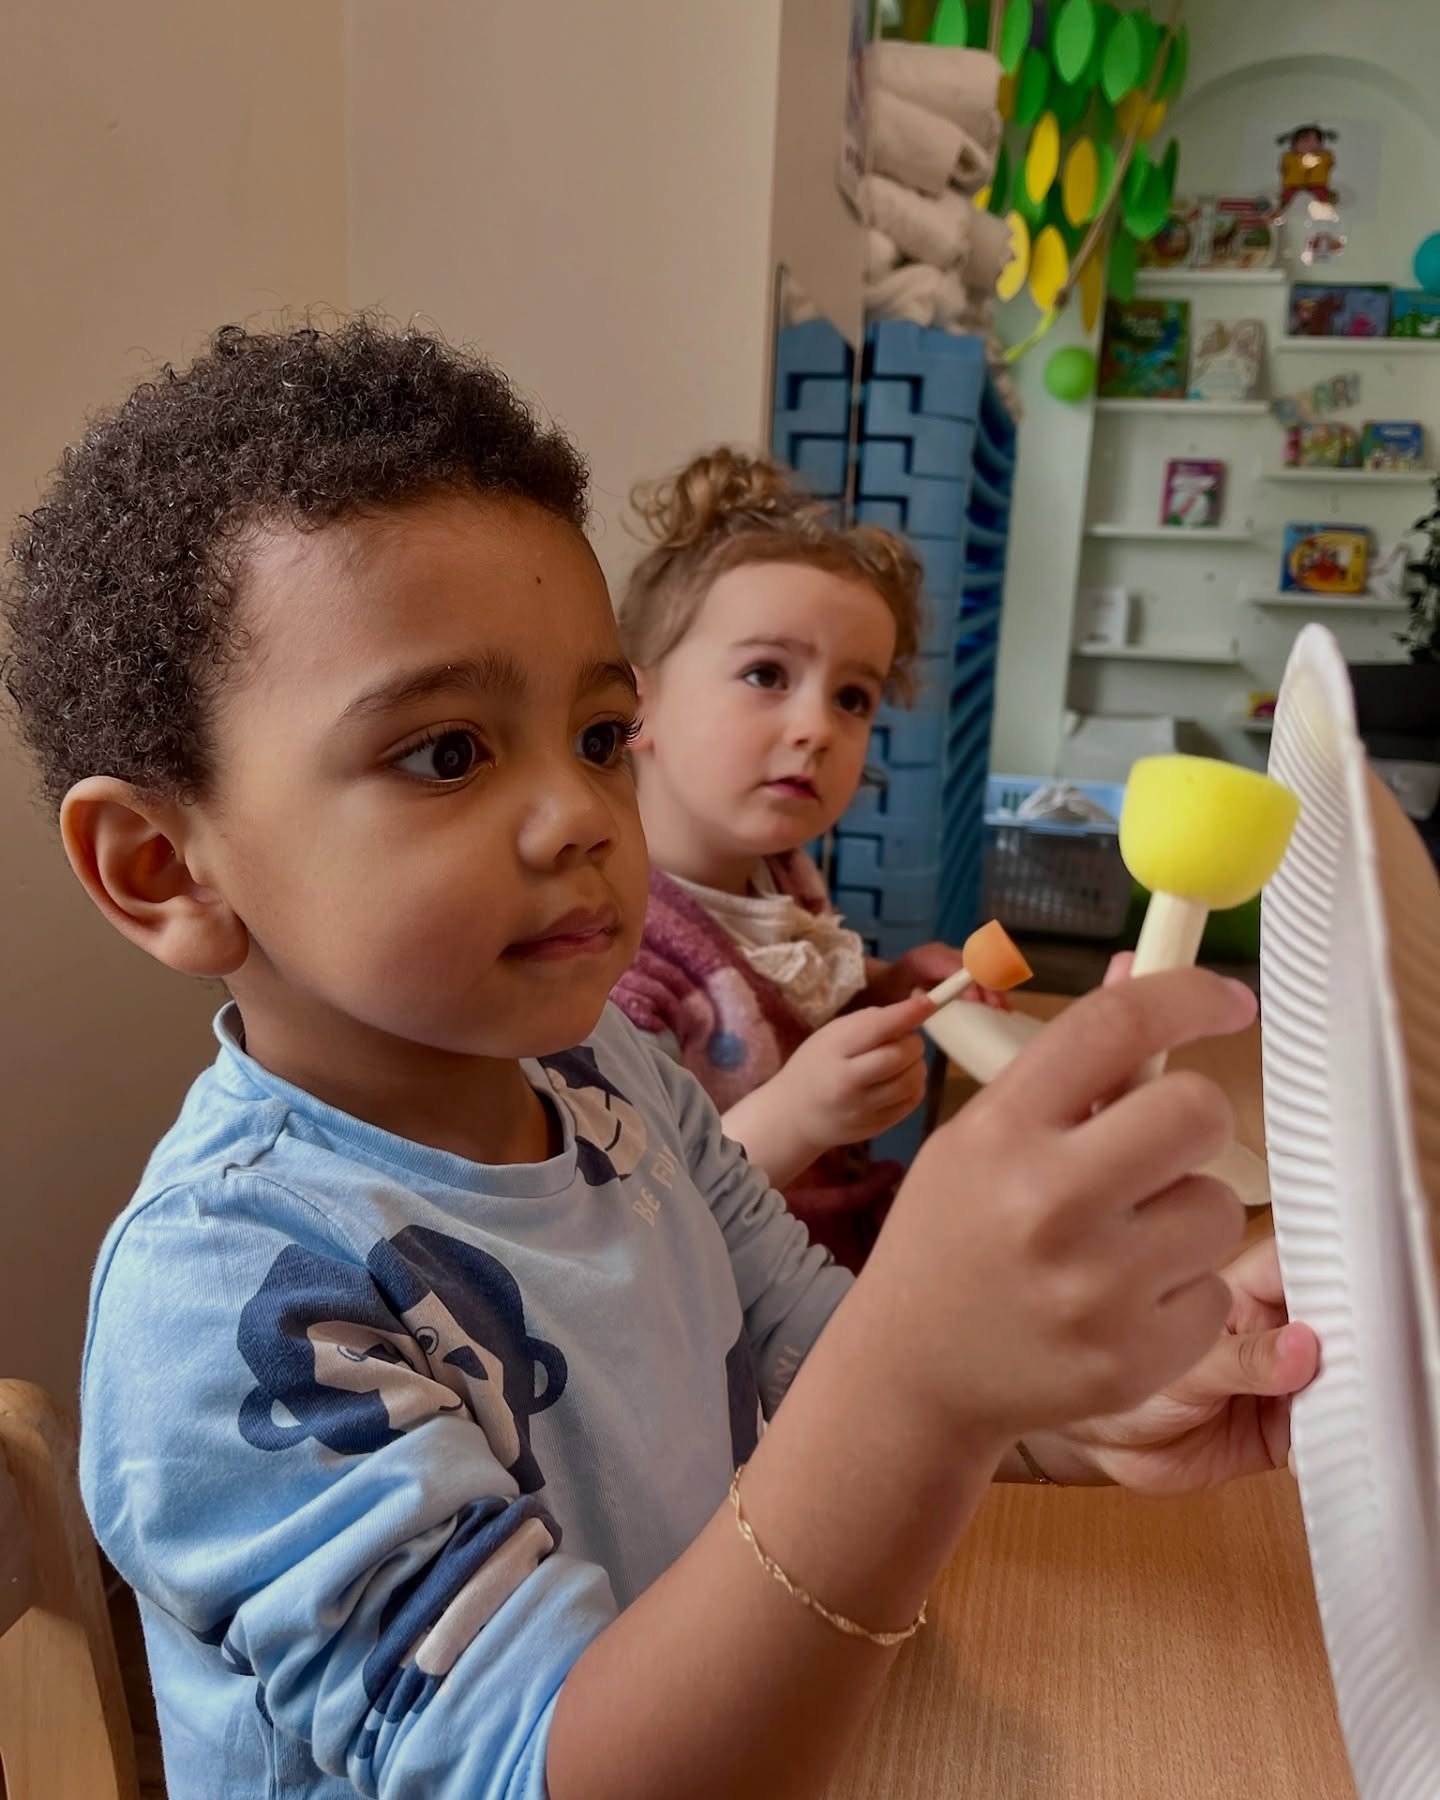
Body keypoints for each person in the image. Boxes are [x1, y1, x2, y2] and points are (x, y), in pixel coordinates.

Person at [2, 319, 1318, 1800]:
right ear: (166, 868)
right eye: (447, 752)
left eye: (603, 731)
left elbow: (817, 1353)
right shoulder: (232, 1300)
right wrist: (924, 1389)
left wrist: (1072, 1400)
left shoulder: (606, 1070)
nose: (578, 812)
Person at [612, 449, 999, 1267]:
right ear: (634, 709)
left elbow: (790, 1004)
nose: (817, 727)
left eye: (852, 697)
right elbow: (633, 1213)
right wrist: (800, 1117)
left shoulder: (778, 868)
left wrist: (886, 990)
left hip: (828, 1238)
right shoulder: (612, 948)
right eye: (766, 674)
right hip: (728, 1311)